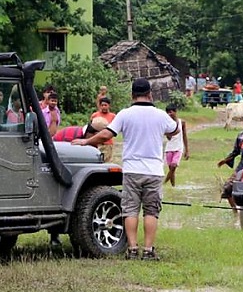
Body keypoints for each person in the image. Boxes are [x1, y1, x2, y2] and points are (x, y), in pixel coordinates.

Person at [72, 78, 178, 260]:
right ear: (150, 94)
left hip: (132, 170)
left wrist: (86, 141)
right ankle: (149, 250)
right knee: (151, 211)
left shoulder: (125, 114)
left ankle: (132, 249)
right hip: (153, 171)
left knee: (130, 210)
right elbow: (174, 130)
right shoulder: (161, 115)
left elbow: (106, 134)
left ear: (132, 95)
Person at [163, 105, 189, 187]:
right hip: (169, 148)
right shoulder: (167, 124)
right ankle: (173, 186)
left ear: (175, 112)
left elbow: (184, 136)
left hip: (178, 148)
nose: (169, 114)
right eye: (167, 112)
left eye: (171, 112)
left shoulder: (182, 122)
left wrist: (187, 150)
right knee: (171, 169)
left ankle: (164, 183)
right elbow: (169, 137)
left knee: (174, 166)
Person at [90, 97, 116, 162]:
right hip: (96, 143)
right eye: (102, 105)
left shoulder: (113, 116)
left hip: (107, 144)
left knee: (105, 162)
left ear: (109, 106)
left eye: (105, 105)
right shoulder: (95, 115)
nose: (104, 107)